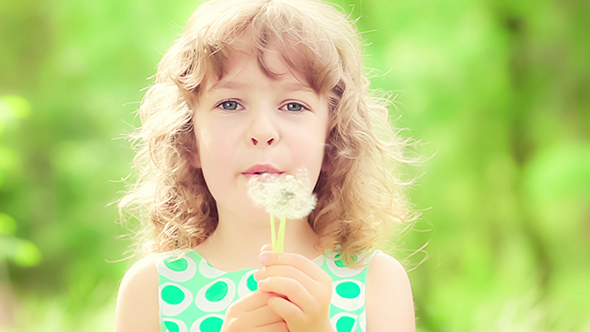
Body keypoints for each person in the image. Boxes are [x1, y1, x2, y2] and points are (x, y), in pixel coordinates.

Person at [114, 0, 417, 331]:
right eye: (230, 104)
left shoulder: (377, 281)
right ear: (190, 142)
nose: (262, 131)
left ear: (332, 142)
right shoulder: (151, 290)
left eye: (293, 105)